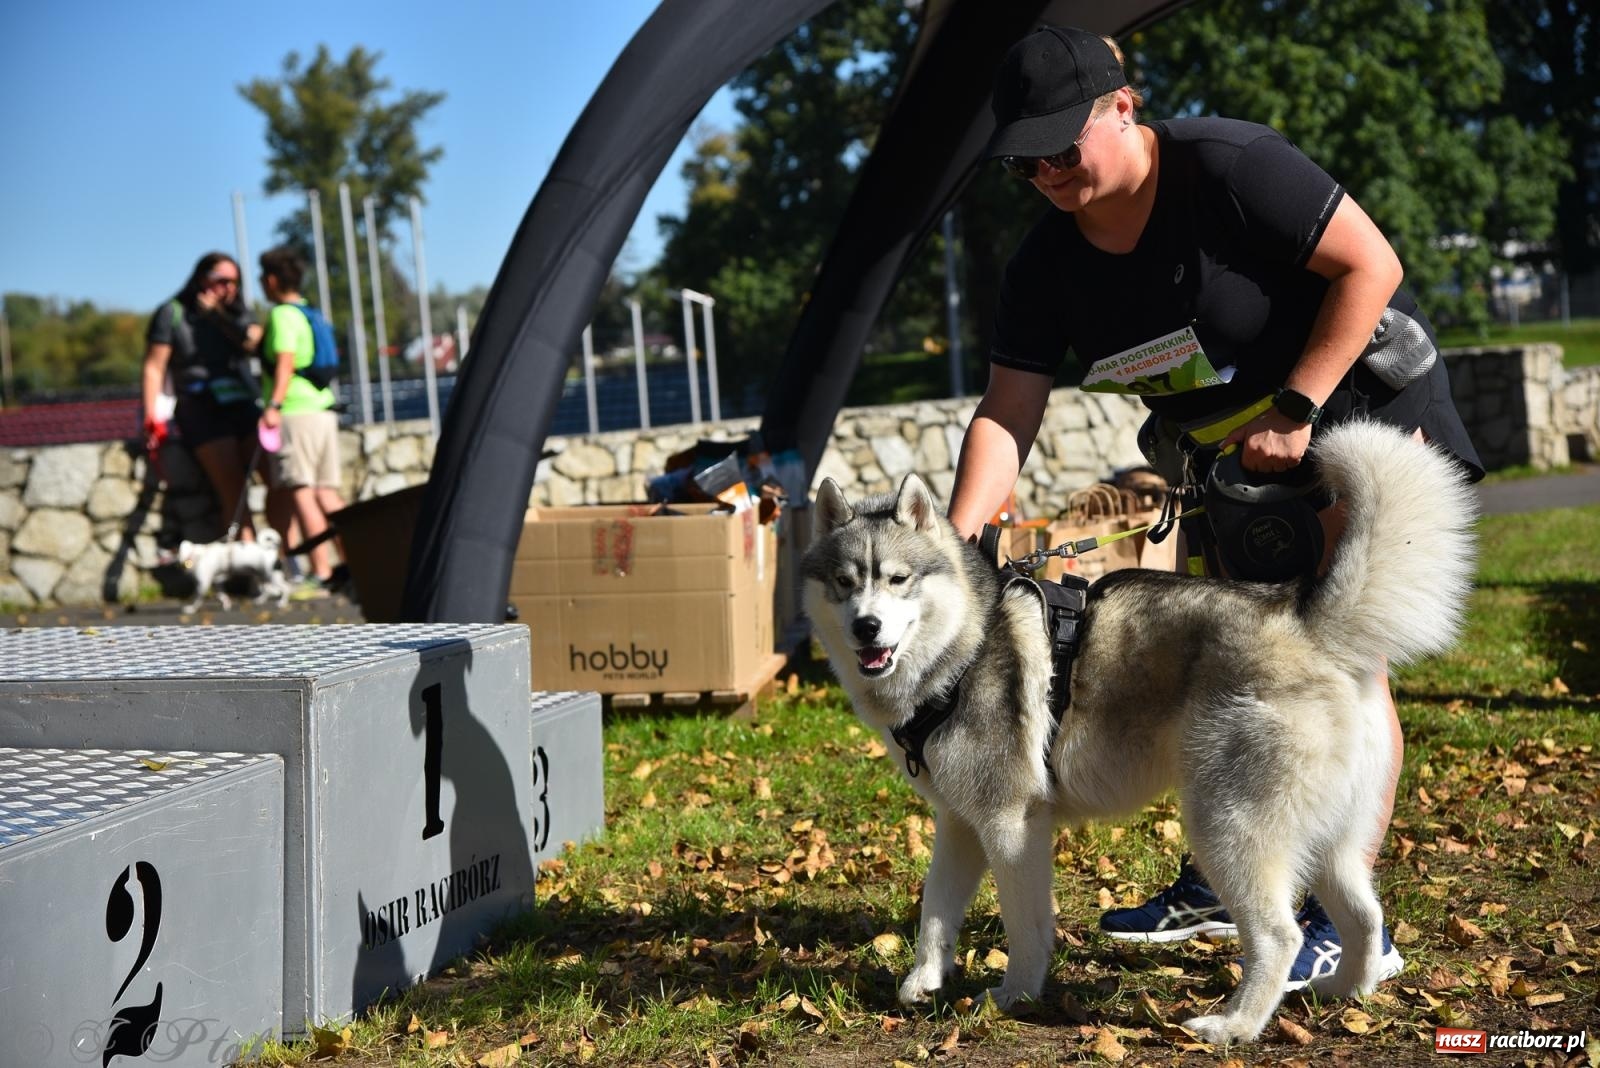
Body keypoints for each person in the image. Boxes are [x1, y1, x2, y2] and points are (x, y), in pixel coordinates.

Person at [949, 26, 1483, 988]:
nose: (1047, 174)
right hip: (1232, 463)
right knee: (1234, 666)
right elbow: (1007, 411)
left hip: (1349, 412)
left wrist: (1296, 408)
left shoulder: (1231, 167)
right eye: (1024, 163)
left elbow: (1373, 267)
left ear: (1123, 105)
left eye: (1060, 147)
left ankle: (1342, 918)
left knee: (1335, 662)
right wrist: (955, 545)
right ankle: (1226, 878)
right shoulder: (1042, 267)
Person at [142, 252, 263, 540]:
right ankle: (244, 557)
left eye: (234, 282)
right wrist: (151, 417)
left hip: (242, 401)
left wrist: (217, 316)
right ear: (201, 279)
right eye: (222, 280)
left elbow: (253, 343)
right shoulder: (172, 312)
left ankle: (284, 556)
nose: (229, 288)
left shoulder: (237, 311)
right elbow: (154, 367)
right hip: (200, 405)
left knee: (278, 476)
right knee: (233, 488)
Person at [256, 246, 347, 596]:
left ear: (272, 280)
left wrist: (273, 405)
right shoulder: (310, 312)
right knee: (327, 492)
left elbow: (285, 363)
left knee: (303, 492)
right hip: (322, 409)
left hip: (295, 412)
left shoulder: (281, 315)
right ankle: (354, 561)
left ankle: (321, 572)